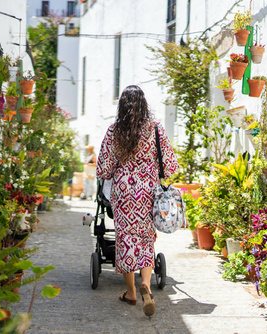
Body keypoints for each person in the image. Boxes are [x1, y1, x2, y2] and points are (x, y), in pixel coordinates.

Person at [96, 85, 178, 317]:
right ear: (144, 104)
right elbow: (170, 166)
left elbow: (103, 169)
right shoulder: (155, 129)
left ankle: (131, 292)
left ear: (122, 105)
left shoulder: (114, 131)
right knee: (145, 238)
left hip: (123, 193)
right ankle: (146, 285)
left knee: (126, 239)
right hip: (147, 192)